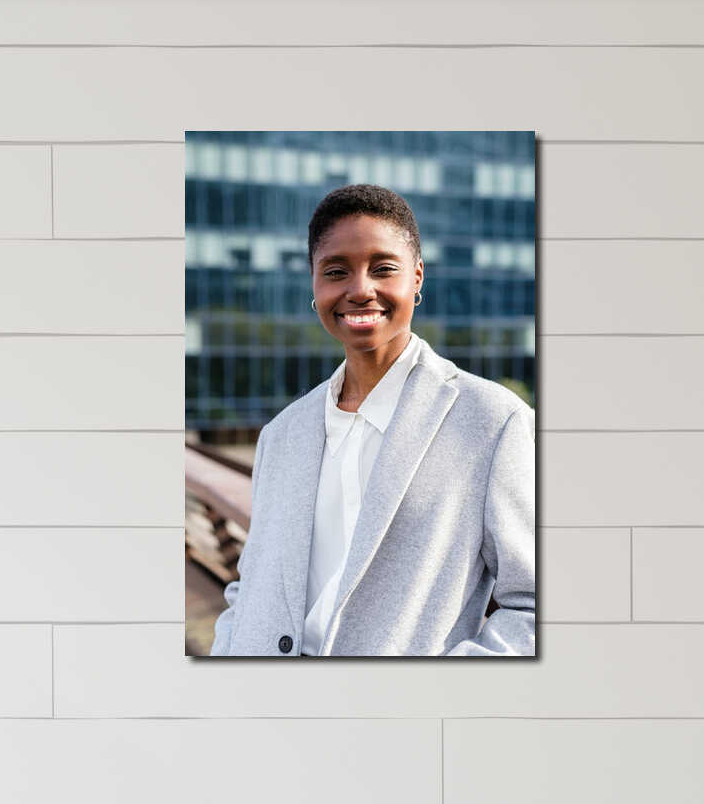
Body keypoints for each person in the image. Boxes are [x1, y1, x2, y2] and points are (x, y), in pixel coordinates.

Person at [210, 183, 536, 658]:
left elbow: (532, 606)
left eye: (383, 269)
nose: (360, 290)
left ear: (418, 277)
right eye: (336, 271)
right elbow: (251, 585)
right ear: (315, 286)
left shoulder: (491, 421)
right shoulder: (280, 435)